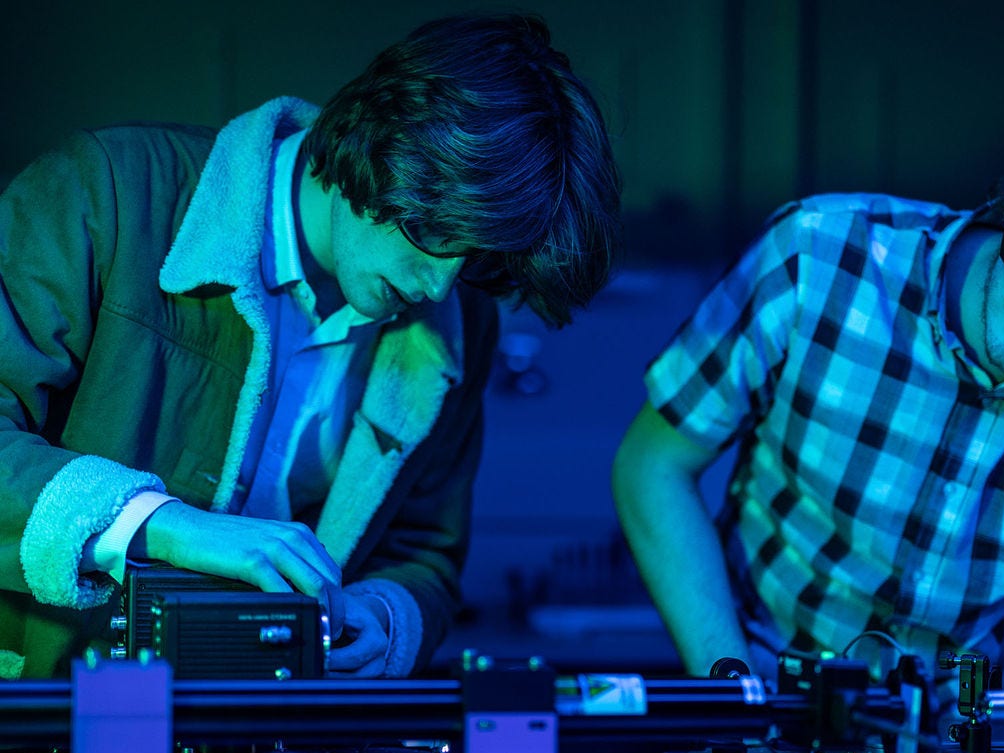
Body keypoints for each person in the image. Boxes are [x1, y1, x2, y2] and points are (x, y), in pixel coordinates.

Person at [0, 14, 621, 679]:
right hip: (43, 709)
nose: (440, 286)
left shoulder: (459, 321)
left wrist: (382, 620)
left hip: (268, 728)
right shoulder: (107, 194)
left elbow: (423, 551)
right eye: (439, 232)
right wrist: (165, 526)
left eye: (477, 259)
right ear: (382, 145)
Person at [613, 97, 1004, 734]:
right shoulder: (819, 255)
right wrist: (733, 691)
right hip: (771, 689)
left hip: (981, 726)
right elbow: (653, 466)